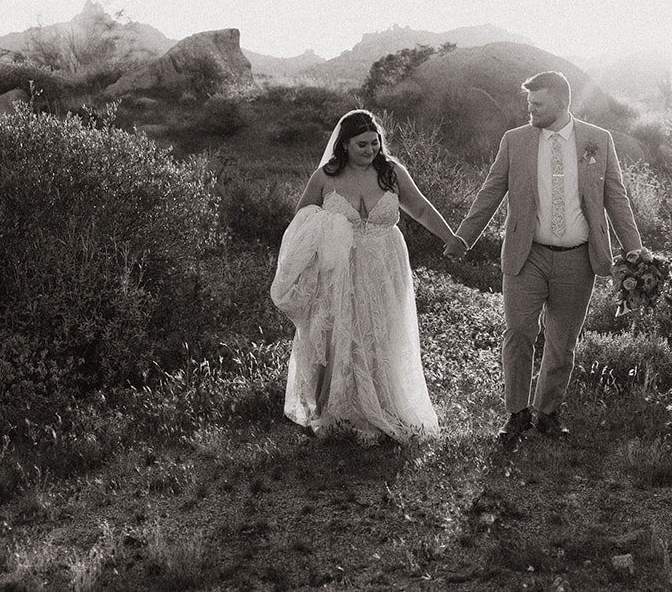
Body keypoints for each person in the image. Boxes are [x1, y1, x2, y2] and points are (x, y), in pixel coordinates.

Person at [447, 71, 649, 450]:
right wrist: (464, 236)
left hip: (578, 259)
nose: (530, 109)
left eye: (537, 103)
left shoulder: (597, 140)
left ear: (560, 101)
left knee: (562, 342)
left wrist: (634, 251)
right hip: (528, 255)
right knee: (519, 332)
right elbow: (491, 190)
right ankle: (516, 413)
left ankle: (547, 413)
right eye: (529, 103)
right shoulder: (515, 141)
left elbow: (616, 198)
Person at [270, 109, 460, 443]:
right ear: (343, 145)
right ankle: (338, 409)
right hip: (338, 270)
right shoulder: (325, 177)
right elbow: (301, 222)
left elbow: (422, 209)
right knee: (338, 333)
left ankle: (385, 404)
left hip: (384, 268)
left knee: (382, 332)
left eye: (375, 142)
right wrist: (328, 233)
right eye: (362, 144)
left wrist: (451, 237)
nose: (370, 149)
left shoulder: (391, 173)